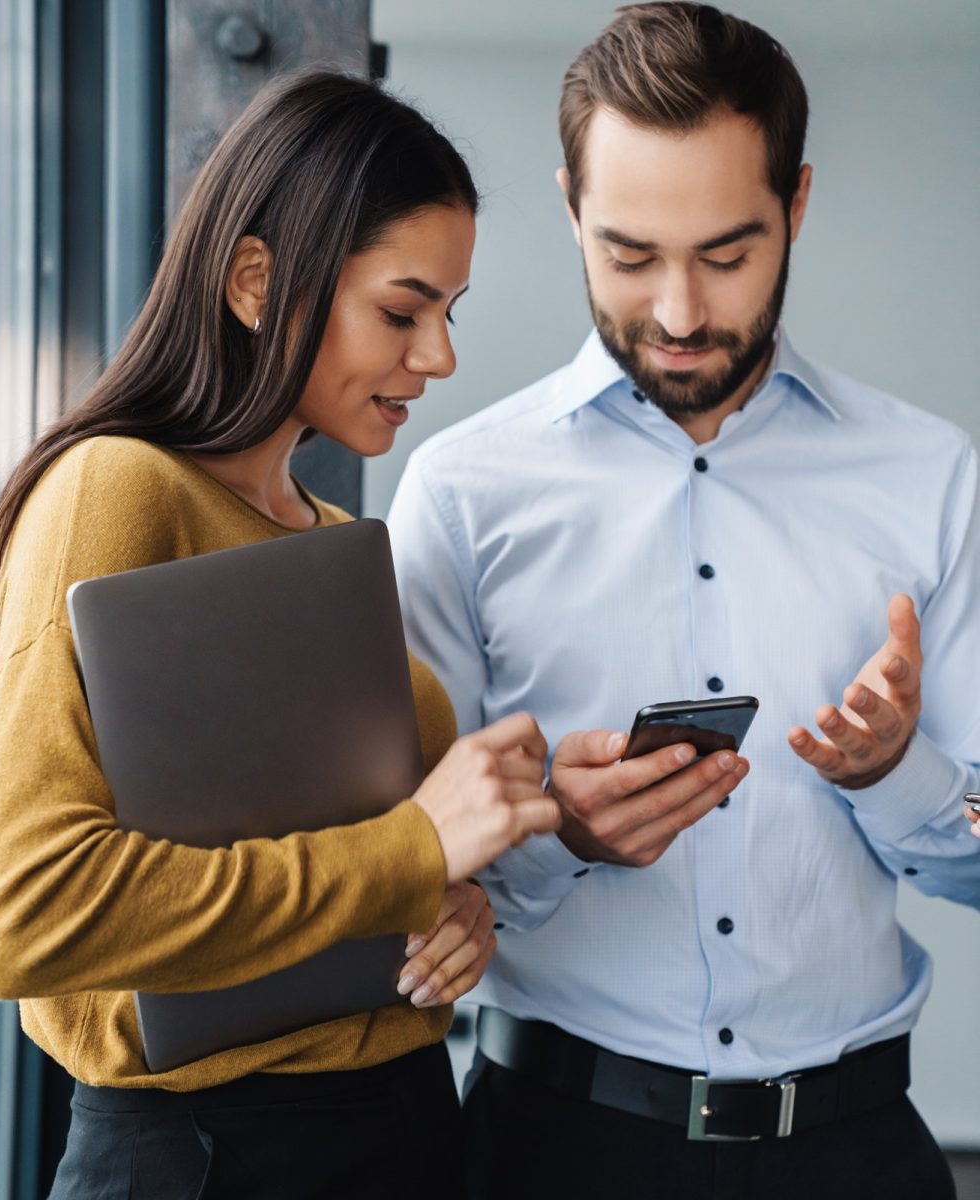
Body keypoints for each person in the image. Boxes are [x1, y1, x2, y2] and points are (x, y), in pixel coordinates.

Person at [387, 5, 980, 1197]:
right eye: (628, 253)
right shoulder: (459, 495)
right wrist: (563, 836)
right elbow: (403, 884)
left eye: (725, 254)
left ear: (795, 206)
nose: (676, 314)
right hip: (545, 1148)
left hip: (857, 1153)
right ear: (568, 210)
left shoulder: (931, 477)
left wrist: (894, 772)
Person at [0, 69, 561, 1199]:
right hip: (212, 1155)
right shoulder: (114, 490)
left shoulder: (334, 539)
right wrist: (407, 858)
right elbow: (27, 911)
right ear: (257, 279)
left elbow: (362, 870)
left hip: (401, 1122)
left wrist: (452, 914)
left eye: (450, 313)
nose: (438, 357)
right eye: (402, 311)